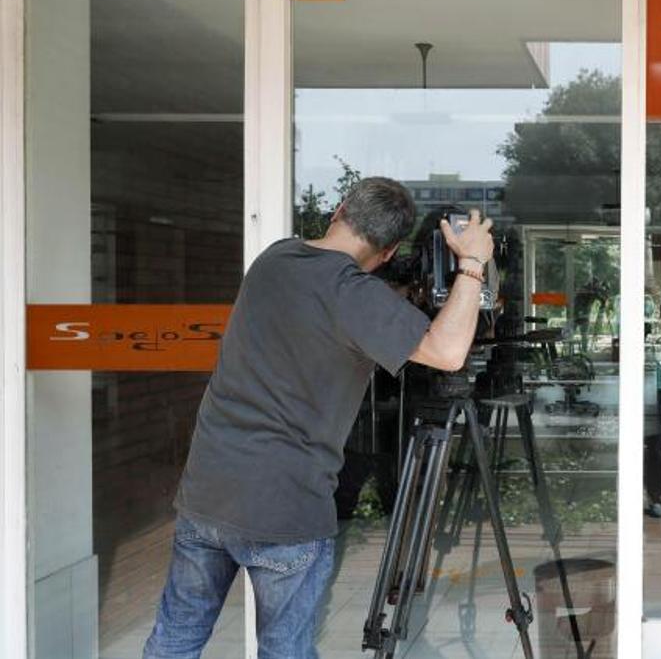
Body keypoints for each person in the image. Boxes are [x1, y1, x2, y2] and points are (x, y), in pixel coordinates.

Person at [143, 177, 494, 659]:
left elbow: (326, 305)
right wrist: (471, 264)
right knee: (284, 651)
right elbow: (449, 351)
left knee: (176, 638)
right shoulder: (356, 297)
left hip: (208, 492)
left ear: (339, 211)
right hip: (285, 506)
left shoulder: (274, 259)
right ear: (390, 252)